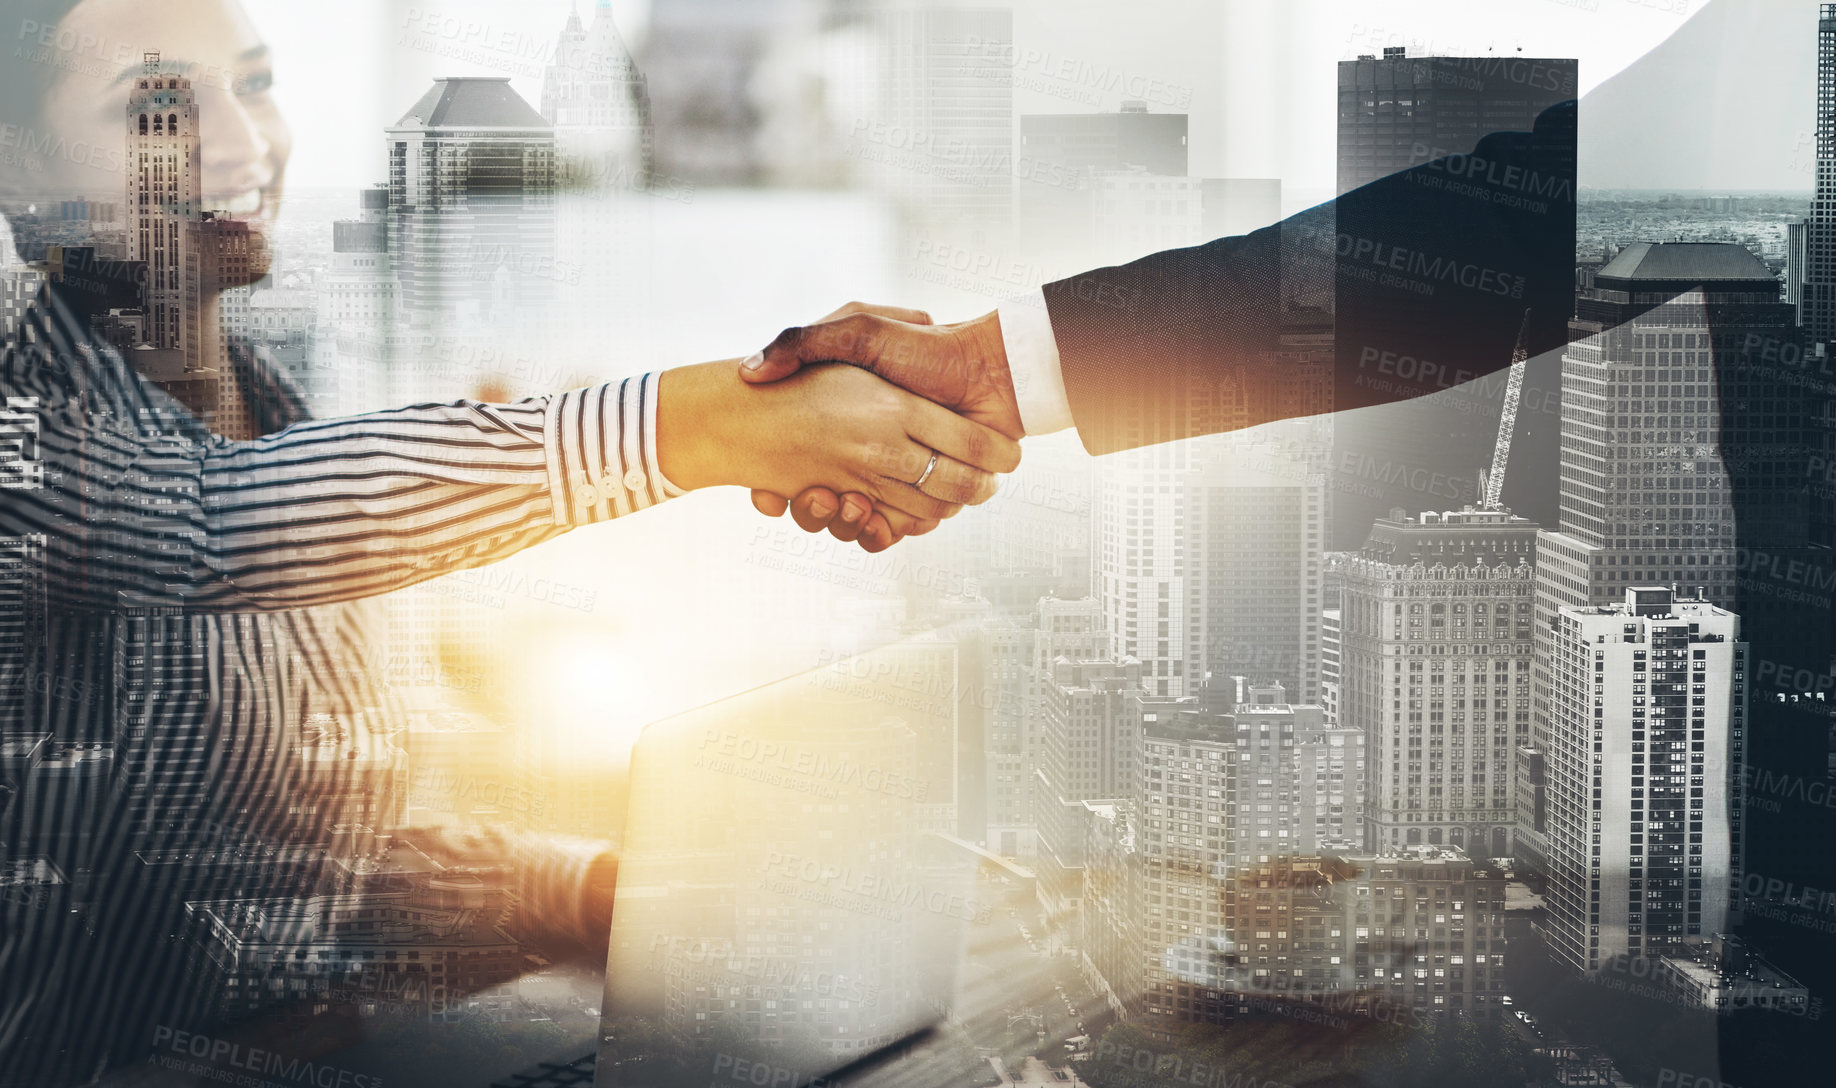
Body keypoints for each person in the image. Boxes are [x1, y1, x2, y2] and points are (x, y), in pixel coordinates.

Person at [0, 1, 1021, 1084]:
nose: (248, 144)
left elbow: (321, 862)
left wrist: (605, 890)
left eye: (252, 85)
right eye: (161, 104)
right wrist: (724, 423)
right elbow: (206, 523)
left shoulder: (280, 411)